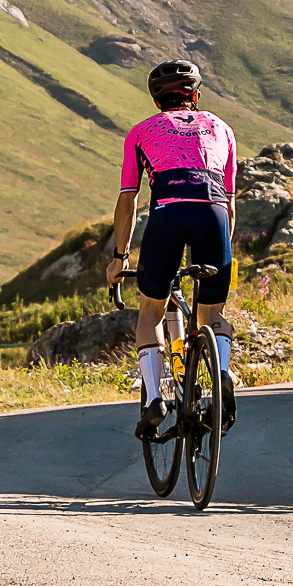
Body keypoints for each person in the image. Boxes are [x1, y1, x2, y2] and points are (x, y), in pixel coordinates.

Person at [106, 57, 239, 436]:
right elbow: (229, 204)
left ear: (156, 102)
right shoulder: (221, 128)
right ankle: (223, 372)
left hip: (167, 215)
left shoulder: (140, 132)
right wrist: (222, 252)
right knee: (213, 316)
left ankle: (153, 398)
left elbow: (129, 198)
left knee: (150, 312)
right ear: (195, 96)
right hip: (212, 214)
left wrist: (120, 257)